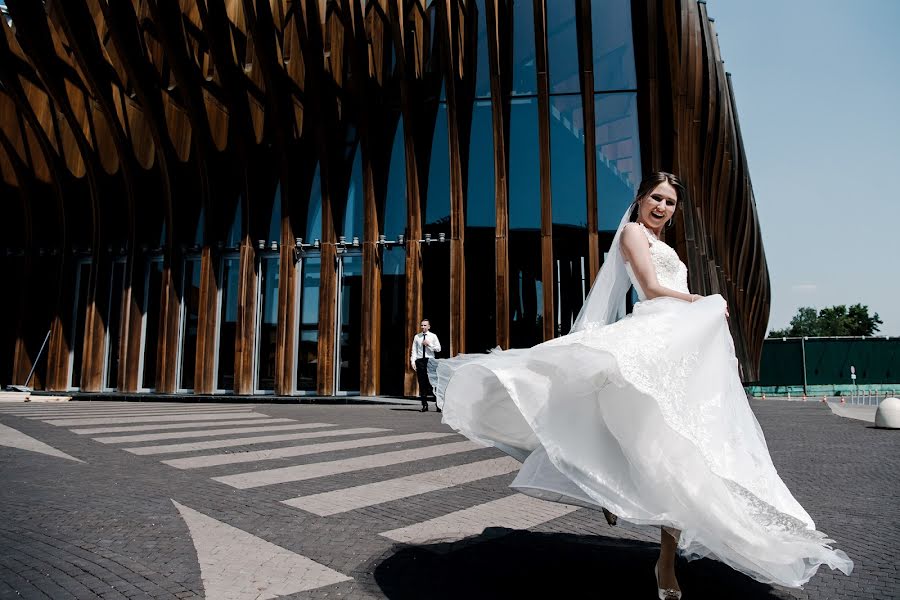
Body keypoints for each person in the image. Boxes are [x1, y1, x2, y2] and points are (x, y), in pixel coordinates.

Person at [430, 172, 852, 597]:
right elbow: (651, 289)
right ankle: (619, 505)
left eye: (670, 202)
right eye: (656, 197)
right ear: (641, 198)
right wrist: (702, 301)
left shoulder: (669, 246)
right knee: (638, 439)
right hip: (653, 337)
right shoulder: (633, 232)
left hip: (680, 346)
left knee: (685, 456)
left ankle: (664, 560)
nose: (662, 207)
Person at [410, 318, 441, 412]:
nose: (423, 327)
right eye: (422, 325)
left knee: (434, 383)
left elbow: (438, 349)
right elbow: (414, 351)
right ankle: (424, 405)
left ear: (429, 326)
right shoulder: (417, 337)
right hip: (420, 361)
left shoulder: (433, 336)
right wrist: (413, 362)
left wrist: (429, 344)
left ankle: (438, 405)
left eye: (425, 325)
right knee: (422, 383)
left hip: (430, 361)